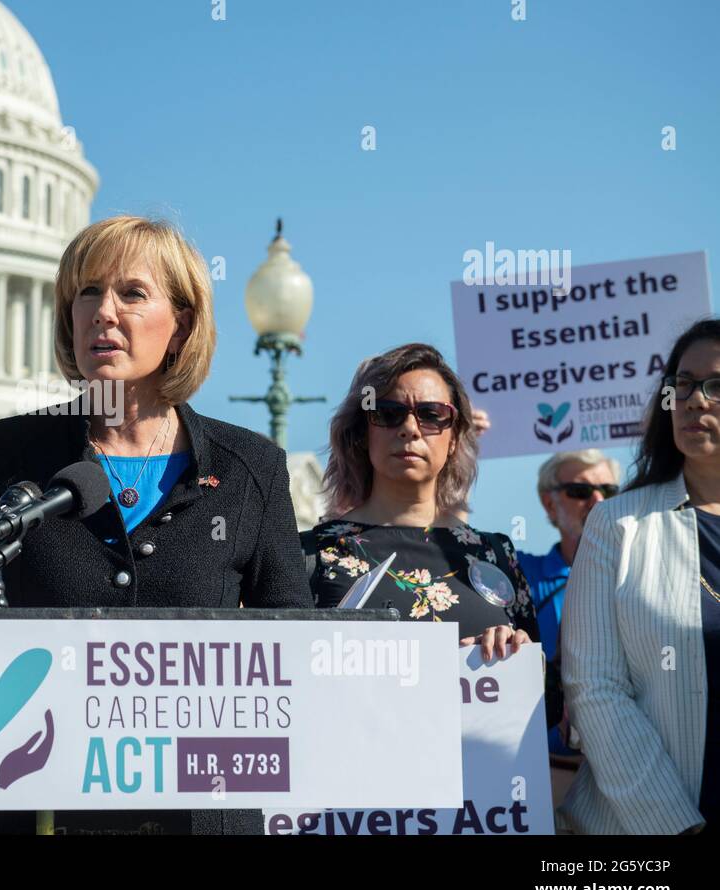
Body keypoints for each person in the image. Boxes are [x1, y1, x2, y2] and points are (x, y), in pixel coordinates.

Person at [0, 215, 313, 834]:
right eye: (88, 292)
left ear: (181, 323)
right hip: (30, 810)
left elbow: (293, 647)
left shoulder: (250, 470)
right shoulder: (2, 455)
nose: (104, 312)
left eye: (132, 293)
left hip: (200, 814)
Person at [561, 318, 720, 834]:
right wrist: (676, 828)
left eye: (716, 386)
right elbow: (594, 687)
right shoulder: (616, 523)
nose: (695, 401)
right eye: (683, 384)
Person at [304, 343, 540, 657]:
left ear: (454, 437)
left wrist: (517, 651)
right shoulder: (309, 555)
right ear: (362, 433)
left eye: (431, 414)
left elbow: (543, 693)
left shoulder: (496, 554)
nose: (410, 429)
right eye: (388, 413)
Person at [516, 450, 621, 773]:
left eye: (611, 491)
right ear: (550, 504)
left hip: (636, 765)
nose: (598, 501)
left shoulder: (645, 574)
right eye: (580, 491)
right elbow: (448, 542)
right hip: (549, 773)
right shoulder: (521, 573)